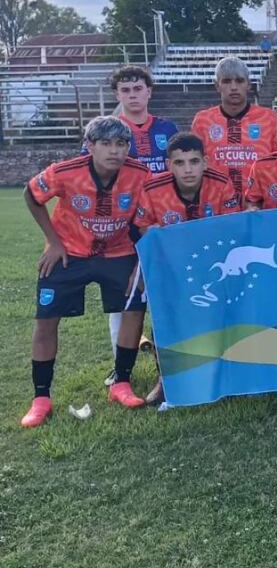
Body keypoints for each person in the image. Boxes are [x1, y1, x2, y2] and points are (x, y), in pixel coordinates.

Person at [20, 117, 151, 427]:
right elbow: (31, 195)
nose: (114, 151)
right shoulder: (65, 172)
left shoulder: (141, 175)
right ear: (90, 146)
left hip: (118, 251)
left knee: (134, 309)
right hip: (69, 253)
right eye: (106, 143)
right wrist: (53, 242)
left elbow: (150, 217)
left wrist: (141, 261)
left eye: (121, 144)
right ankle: (41, 398)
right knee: (46, 318)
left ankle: (121, 382)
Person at [133, 133, 241, 404]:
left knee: (218, 316)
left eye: (194, 161)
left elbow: (231, 228)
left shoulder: (222, 184)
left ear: (205, 162)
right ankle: (167, 379)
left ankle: (223, 374)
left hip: (212, 264)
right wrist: (153, 233)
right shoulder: (152, 189)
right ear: (169, 164)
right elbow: (142, 227)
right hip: (170, 267)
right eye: (180, 163)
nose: (188, 169)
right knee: (166, 318)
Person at [96, 65, 178, 383]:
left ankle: (171, 362)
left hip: (162, 225)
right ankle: (120, 368)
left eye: (138, 88)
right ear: (117, 95)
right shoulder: (108, 130)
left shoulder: (168, 128)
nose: (132, 95)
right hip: (123, 227)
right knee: (124, 298)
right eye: (125, 90)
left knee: (166, 296)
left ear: (149, 92)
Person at [191, 57, 277, 201]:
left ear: (248, 84)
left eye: (239, 81)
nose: (233, 87)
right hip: (215, 203)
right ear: (217, 85)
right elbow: (194, 164)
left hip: (259, 204)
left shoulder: (269, 118)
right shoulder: (203, 121)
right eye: (226, 81)